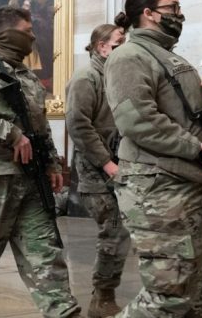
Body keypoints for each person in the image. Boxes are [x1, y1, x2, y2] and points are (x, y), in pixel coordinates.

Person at [104, 0, 202, 317]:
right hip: (159, 188)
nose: (179, 14)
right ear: (148, 13)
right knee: (170, 293)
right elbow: (138, 121)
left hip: (190, 185)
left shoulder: (170, 58)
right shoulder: (128, 56)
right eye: (172, 8)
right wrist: (194, 147)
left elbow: (190, 122)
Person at [0, 6, 81, 317]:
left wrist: (51, 162)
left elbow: (40, 125)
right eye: (27, 30)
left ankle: (62, 311)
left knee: (45, 252)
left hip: (30, 179)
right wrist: (10, 134)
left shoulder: (27, 77)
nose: (33, 36)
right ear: (6, 32)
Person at [65, 24, 130, 318]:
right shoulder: (86, 77)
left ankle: (105, 293)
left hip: (118, 163)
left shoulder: (115, 75)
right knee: (114, 227)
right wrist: (107, 163)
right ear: (102, 46)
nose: (124, 47)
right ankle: (102, 297)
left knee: (120, 229)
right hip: (95, 168)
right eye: (119, 43)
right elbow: (78, 125)